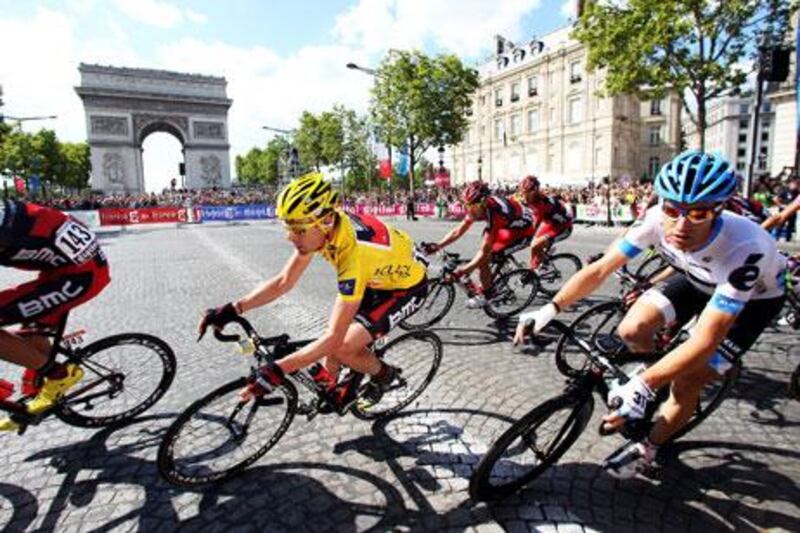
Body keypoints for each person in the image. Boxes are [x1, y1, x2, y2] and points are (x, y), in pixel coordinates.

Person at [514, 150, 786, 478]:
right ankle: (651, 381)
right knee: (631, 329)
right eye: (673, 209)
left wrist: (643, 384)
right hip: (695, 278)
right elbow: (601, 269)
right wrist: (550, 308)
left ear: (719, 209)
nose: (681, 224)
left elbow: (706, 339)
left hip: (754, 301)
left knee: (688, 381)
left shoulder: (747, 247)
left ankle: (649, 446)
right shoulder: (657, 218)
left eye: (698, 213)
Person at [198, 172, 428, 410]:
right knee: (333, 349)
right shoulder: (324, 227)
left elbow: (333, 339)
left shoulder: (351, 254)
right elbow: (284, 281)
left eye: (298, 230)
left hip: (405, 289)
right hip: (375, 276)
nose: (290, 237)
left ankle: (384, 375)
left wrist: (279, 370)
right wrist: (233, 308)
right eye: (289, 227)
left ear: (326, 221)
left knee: (340, 345)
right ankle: (335, 391)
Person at [0, 199, 111, 431]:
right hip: (62, 269)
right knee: (32, 337)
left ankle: (58, 374)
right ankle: (34, 400)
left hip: (80, 276)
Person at [425, 181, 536, 308]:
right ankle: (497, 271)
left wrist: (463, 270)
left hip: (523, 231)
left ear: (483, 203)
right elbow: (458, 231)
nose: (468, 209)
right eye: (466, 205)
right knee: (484, 254)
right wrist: (438, 245)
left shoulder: (495, 214)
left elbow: (484, 252)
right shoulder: (477, 207)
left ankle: (487, 295)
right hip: (508, 225)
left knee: (484, 259)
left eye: (472, 206)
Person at [516, 175, 574, 268]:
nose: (524, 195)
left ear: (534, 191)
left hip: (563, 227)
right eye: (522, 192)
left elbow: (533, 227)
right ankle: (534, 268)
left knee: (535, 245)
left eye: (526, 193)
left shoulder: (541, 204)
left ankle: (546, 266)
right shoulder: (533, 198)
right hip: (551, 224)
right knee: (534, 245)